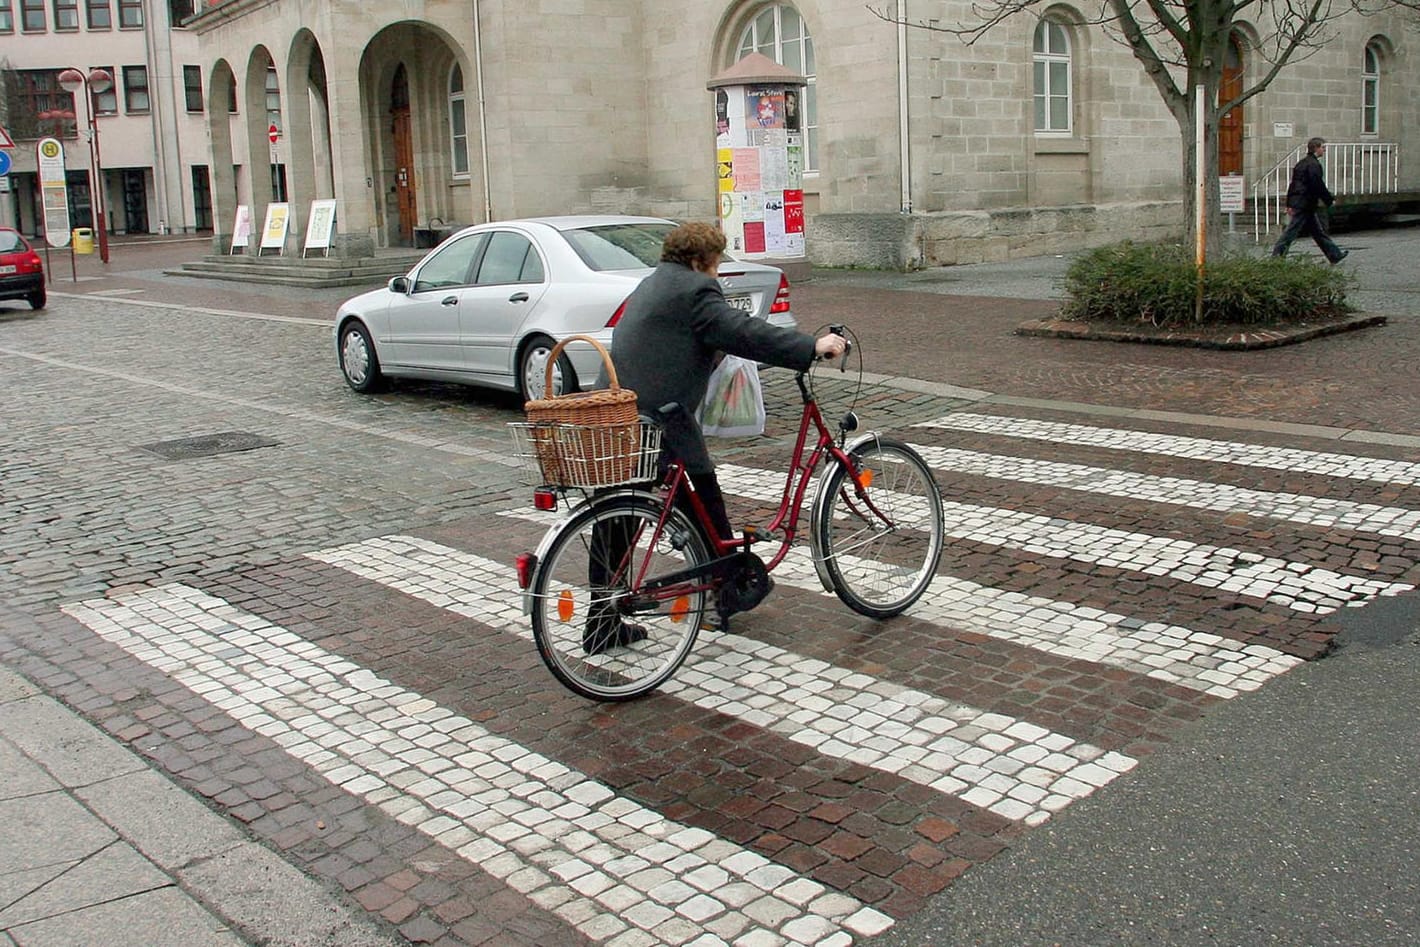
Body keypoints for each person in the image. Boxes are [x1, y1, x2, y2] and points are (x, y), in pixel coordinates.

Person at [583, 221, 845, 654]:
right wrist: (811, 347)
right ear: (701, 260)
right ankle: (727, 586)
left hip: (622, 412)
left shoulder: (654, 283)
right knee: (703, 496)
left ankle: (603, 620)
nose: (718, 270)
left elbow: (677, 339)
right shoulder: (695, 290)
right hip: (662, 420)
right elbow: (743, 331)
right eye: (717, 261)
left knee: (619, 521)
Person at [1271, 137, 1348, 264]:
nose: (1324, 150)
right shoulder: (1313, 165)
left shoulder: (1301, 163)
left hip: (1303, 203)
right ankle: (1277, 257)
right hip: (1305, 203)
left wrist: (1290, 203)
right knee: (1291, 231)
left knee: (1318, 232)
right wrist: (1329, 200)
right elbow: (1317, 184)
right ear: (1316, 148)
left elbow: (1293, 184)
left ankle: (1334, 255)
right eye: (1323, 148)